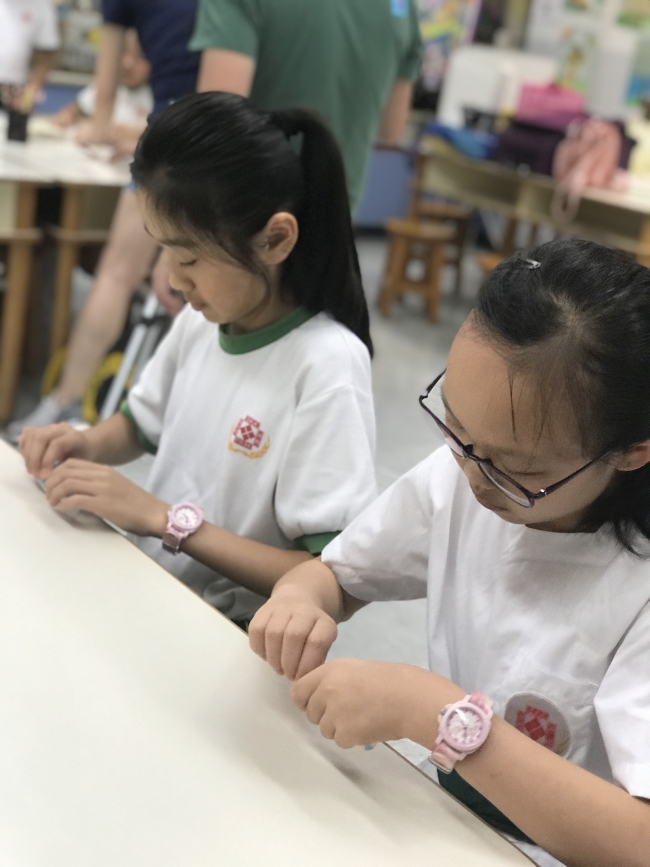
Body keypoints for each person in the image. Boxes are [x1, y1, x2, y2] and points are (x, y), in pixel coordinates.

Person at [249, 239, 650, 867]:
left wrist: (430, 710)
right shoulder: (464, 472)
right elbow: (339, 576)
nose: (474, 476)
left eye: (518, 469)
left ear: (631, 452)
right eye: (455, 425)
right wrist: (301, 598)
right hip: (442, 825)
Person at [19, 92, 377, 630]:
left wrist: (165, 520)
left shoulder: (326, 366)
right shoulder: (201, 320)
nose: (173, 279)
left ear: (276, 240)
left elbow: (332, 580)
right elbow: (140, 426)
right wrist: (84, 444)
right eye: (162, 250)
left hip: (228, 632)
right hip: (151, 589)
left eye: (188, 257)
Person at [5, 1, 200, 442]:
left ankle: (64, 403)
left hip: (178, 135)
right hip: (211, 128)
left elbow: (102, 106)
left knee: (118, 274)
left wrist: (111, 131)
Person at [192, 0, 423, 212]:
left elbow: (217, 124)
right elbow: (391, 129)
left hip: (247, 209)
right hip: (335, 210)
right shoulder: (403, 6)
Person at [52, 28, 152, 151]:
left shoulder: (159, 96)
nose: (128, 63)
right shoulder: (108, 85)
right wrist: (68, 115)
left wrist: (124, 133)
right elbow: (78, 107)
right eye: (124, 53)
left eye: (140, 57)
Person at [0, 0, 59, 113]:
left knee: (17, 122)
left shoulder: (42, 6)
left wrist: (28, 97)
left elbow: (44, 57)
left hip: (17, 91)